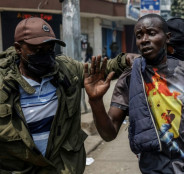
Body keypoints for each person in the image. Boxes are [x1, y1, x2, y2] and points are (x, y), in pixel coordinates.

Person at [85, 14, 184, 174]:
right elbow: (109, 134)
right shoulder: (130, 78)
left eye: (151, 33)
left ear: (167, 38)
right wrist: (95, 101)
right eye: (139, 35)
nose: (144, 40)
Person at [0, 17, 135, 173]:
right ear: (18, 48)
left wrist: (125, 60)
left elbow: (100, 69)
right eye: (37, 50)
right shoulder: (4, 83)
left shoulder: (65, 69)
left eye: (49, 49)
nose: (45, 55)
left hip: (62, 168)